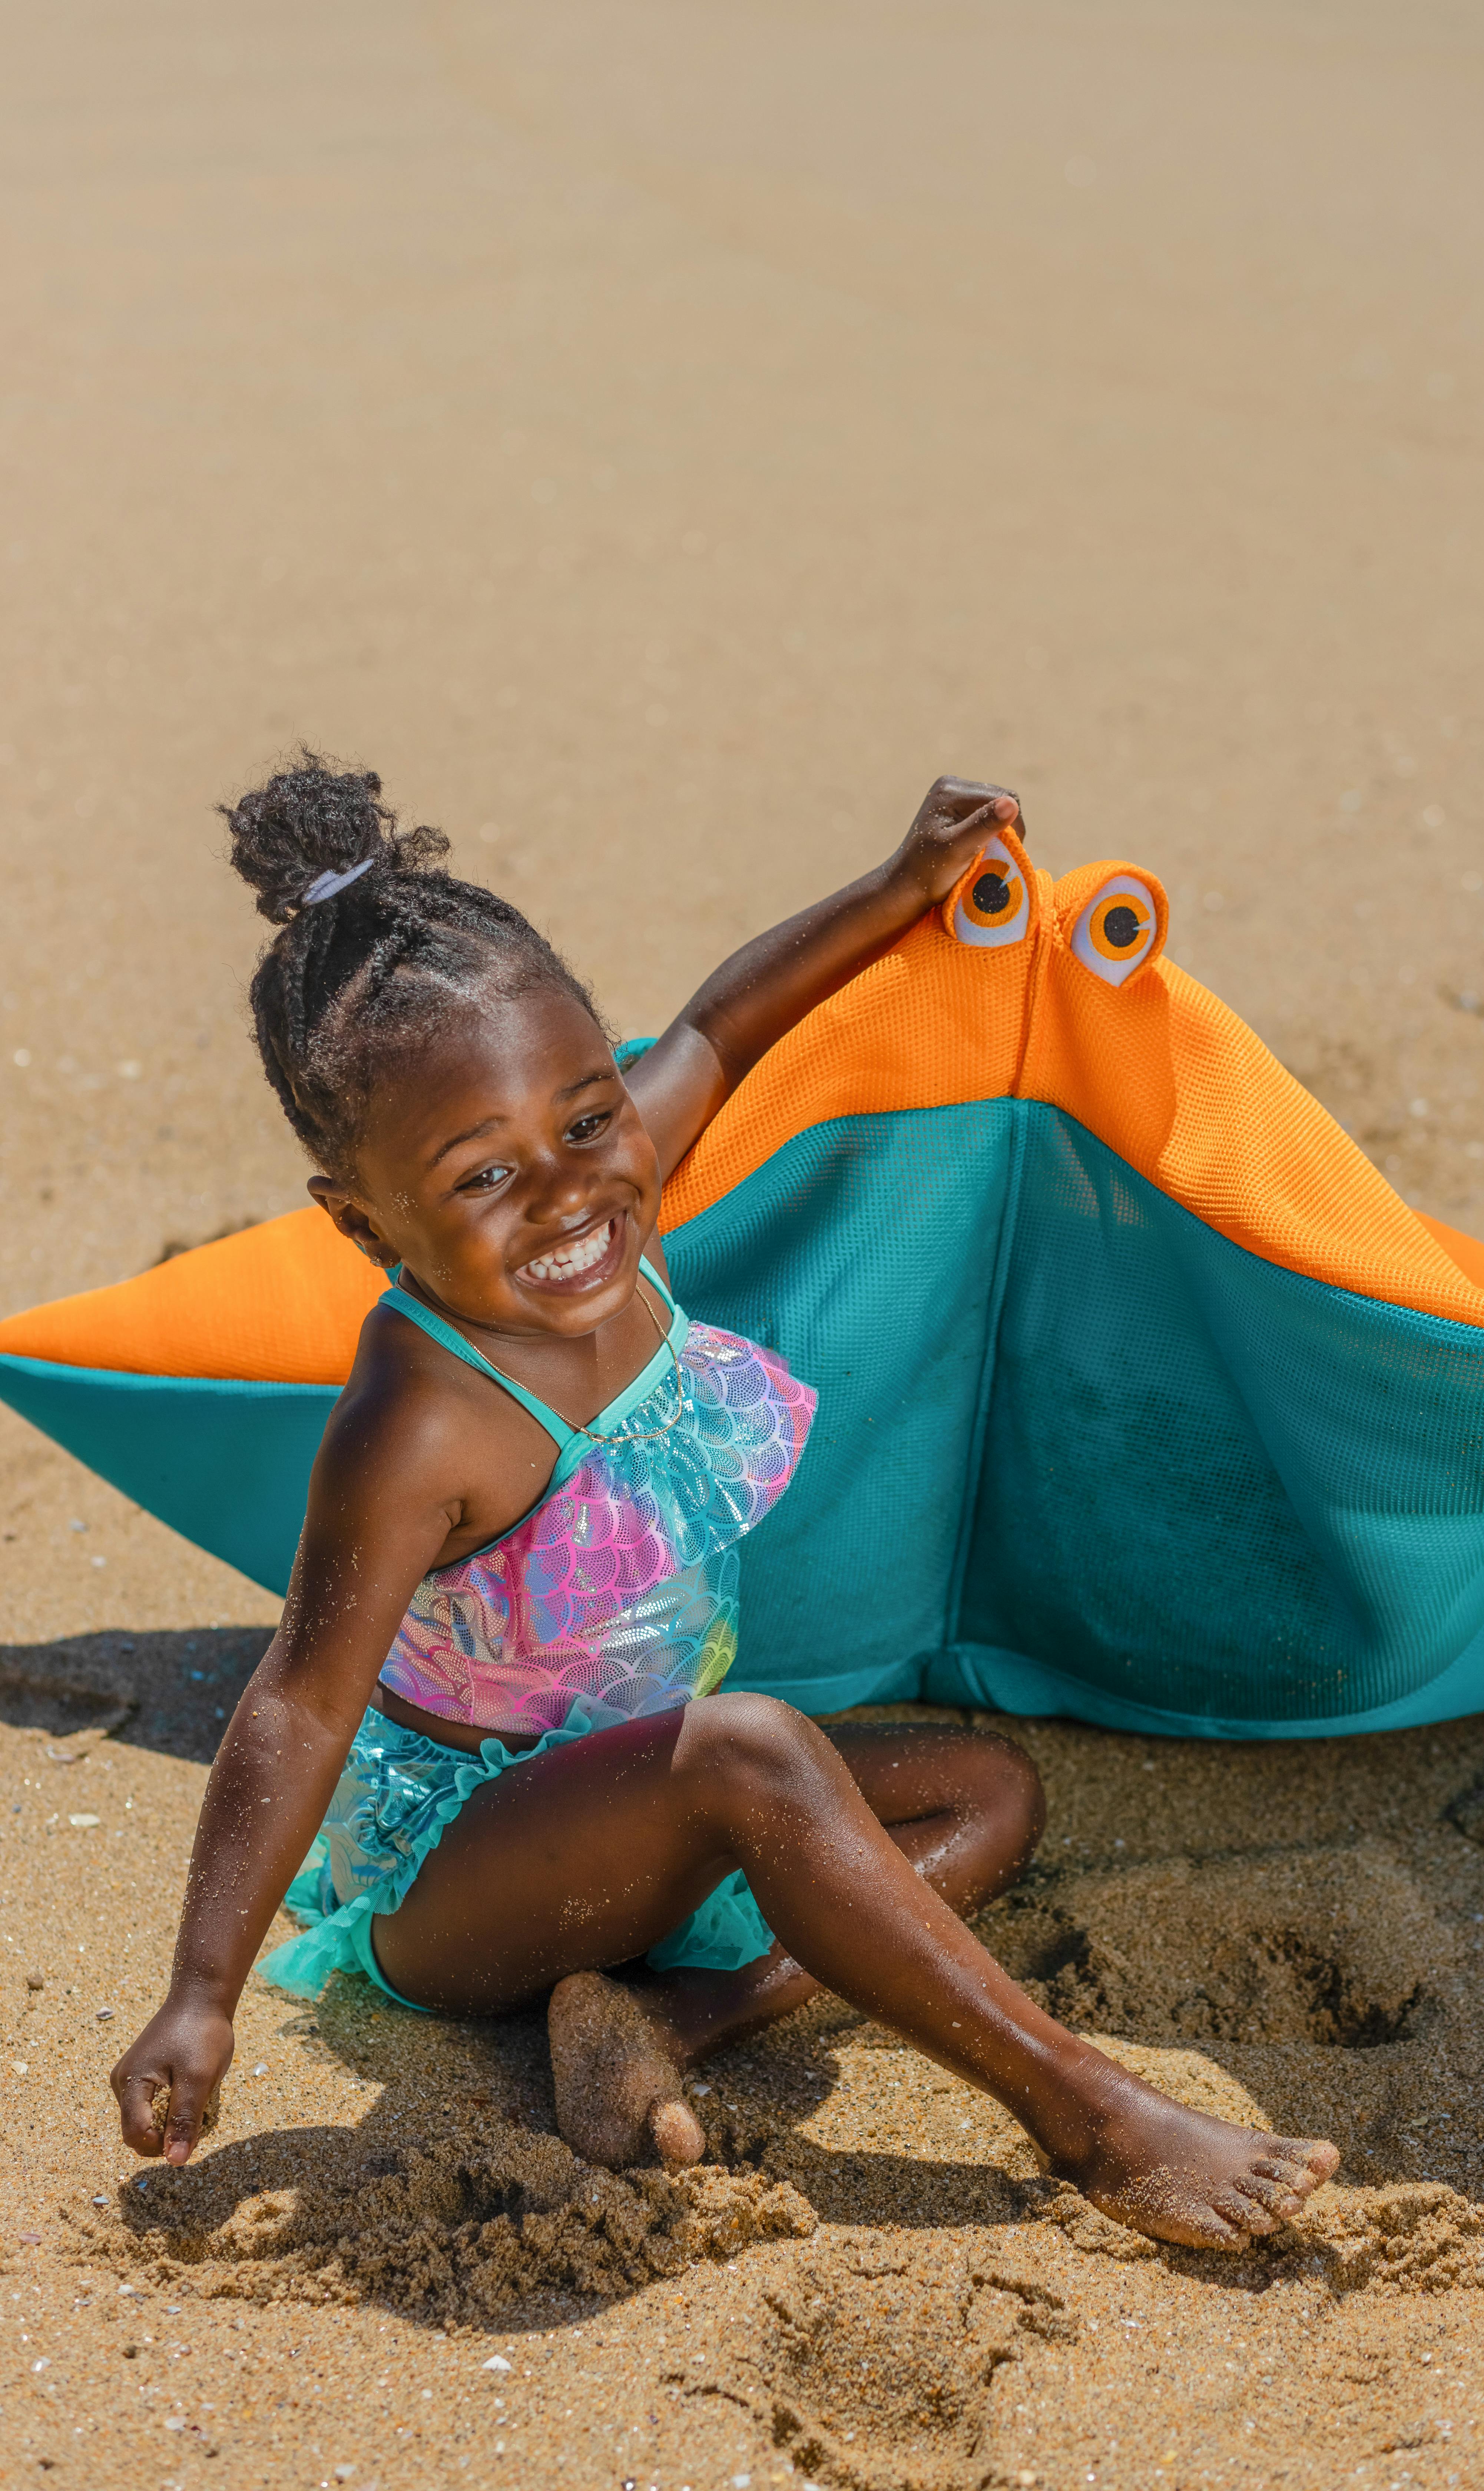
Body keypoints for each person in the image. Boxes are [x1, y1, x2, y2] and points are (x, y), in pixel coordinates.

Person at [110, 757, 1338, 2253]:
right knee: (756, 1750)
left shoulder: (608, 1173)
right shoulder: (420, 1419)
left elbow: (719, 1022)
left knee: (985, 1795)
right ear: (363, 1224)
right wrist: (200, 1997)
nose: (566, 1197)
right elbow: (300, 1704)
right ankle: (1098, 2121)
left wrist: (896, 892)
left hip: (627, 1803)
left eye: (584, 1123)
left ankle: (679, 2021)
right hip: (463, 1872)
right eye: (481, 1176)